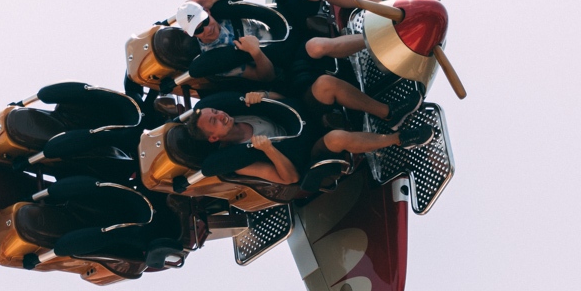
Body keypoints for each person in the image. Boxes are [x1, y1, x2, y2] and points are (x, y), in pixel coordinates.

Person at [186, 91, 435, 186]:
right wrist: (269, 150)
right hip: (306, 152)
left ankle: (389, 112)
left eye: (216, 112)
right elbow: (290, 178)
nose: (221, 116)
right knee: (336, 138)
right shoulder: (240, 161)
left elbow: (279, 99)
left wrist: (262, 95)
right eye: (213, 121)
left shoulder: (239, 110)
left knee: (325, 85)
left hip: (301, 118)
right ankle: (400, 138)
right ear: (213, 138)